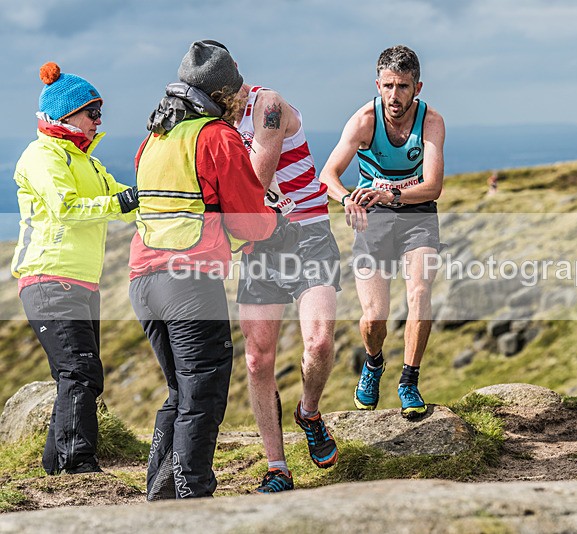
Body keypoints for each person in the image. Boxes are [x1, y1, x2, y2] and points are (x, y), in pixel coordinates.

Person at [128, 41, 283, 500]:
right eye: (237, 92)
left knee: (180, 392)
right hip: (189, 284)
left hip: (142, 282)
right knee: (204, 394)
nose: (243, 100)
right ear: (221, 93)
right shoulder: (216, 136)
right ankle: (191, 496)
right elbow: (249, 222)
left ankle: (160, 493)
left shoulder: (154, 138)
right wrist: (273, 217)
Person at [11, 63, 139, 475]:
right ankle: (77, 465)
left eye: (100, 111)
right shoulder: (42, 155)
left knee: (78, 374)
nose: (99, 119)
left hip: (82, 284)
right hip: (49, 278)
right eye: (92, 111)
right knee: (80, 371)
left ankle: (57, 465)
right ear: (65, 116)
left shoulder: (88, 162)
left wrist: (159, 199)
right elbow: (65, 209)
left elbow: (123, 201)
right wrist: (122, 203)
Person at [230, 47, 341, 493]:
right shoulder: (210, 123)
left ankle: (309, 412)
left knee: (319, 341)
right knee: (258, 360)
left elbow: (255, 180)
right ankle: (278, 467)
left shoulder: (267, 105)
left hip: (307, 233)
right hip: (261, 243)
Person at [319, 45, 446, 420]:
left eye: (403, 86)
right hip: (372, 218)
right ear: (378, 85)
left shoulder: (432, 121)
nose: (394, 96)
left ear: (417, 87)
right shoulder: (363, 120)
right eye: (388, 85)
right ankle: (373, 364)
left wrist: (390, 193)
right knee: (374, 317)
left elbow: (433, 186)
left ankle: (409, 380)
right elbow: (328, 176)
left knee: (419, 292)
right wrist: (348, 201)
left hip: (416, 213)